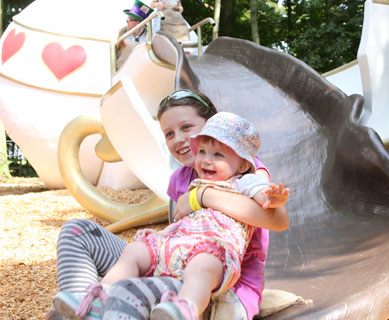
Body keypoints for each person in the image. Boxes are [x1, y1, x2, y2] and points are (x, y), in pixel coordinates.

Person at [48, 89, 289, 320]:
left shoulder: (243, 165)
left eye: (186, 127)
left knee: (137, 288)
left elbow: (276, 218)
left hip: (215, 281)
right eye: (169, 133)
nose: (179, 139)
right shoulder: (180, 178)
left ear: (211, 126)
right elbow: (180, 233)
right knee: (77, 231)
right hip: (178, 259)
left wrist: (200, 196)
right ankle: (88, 304)